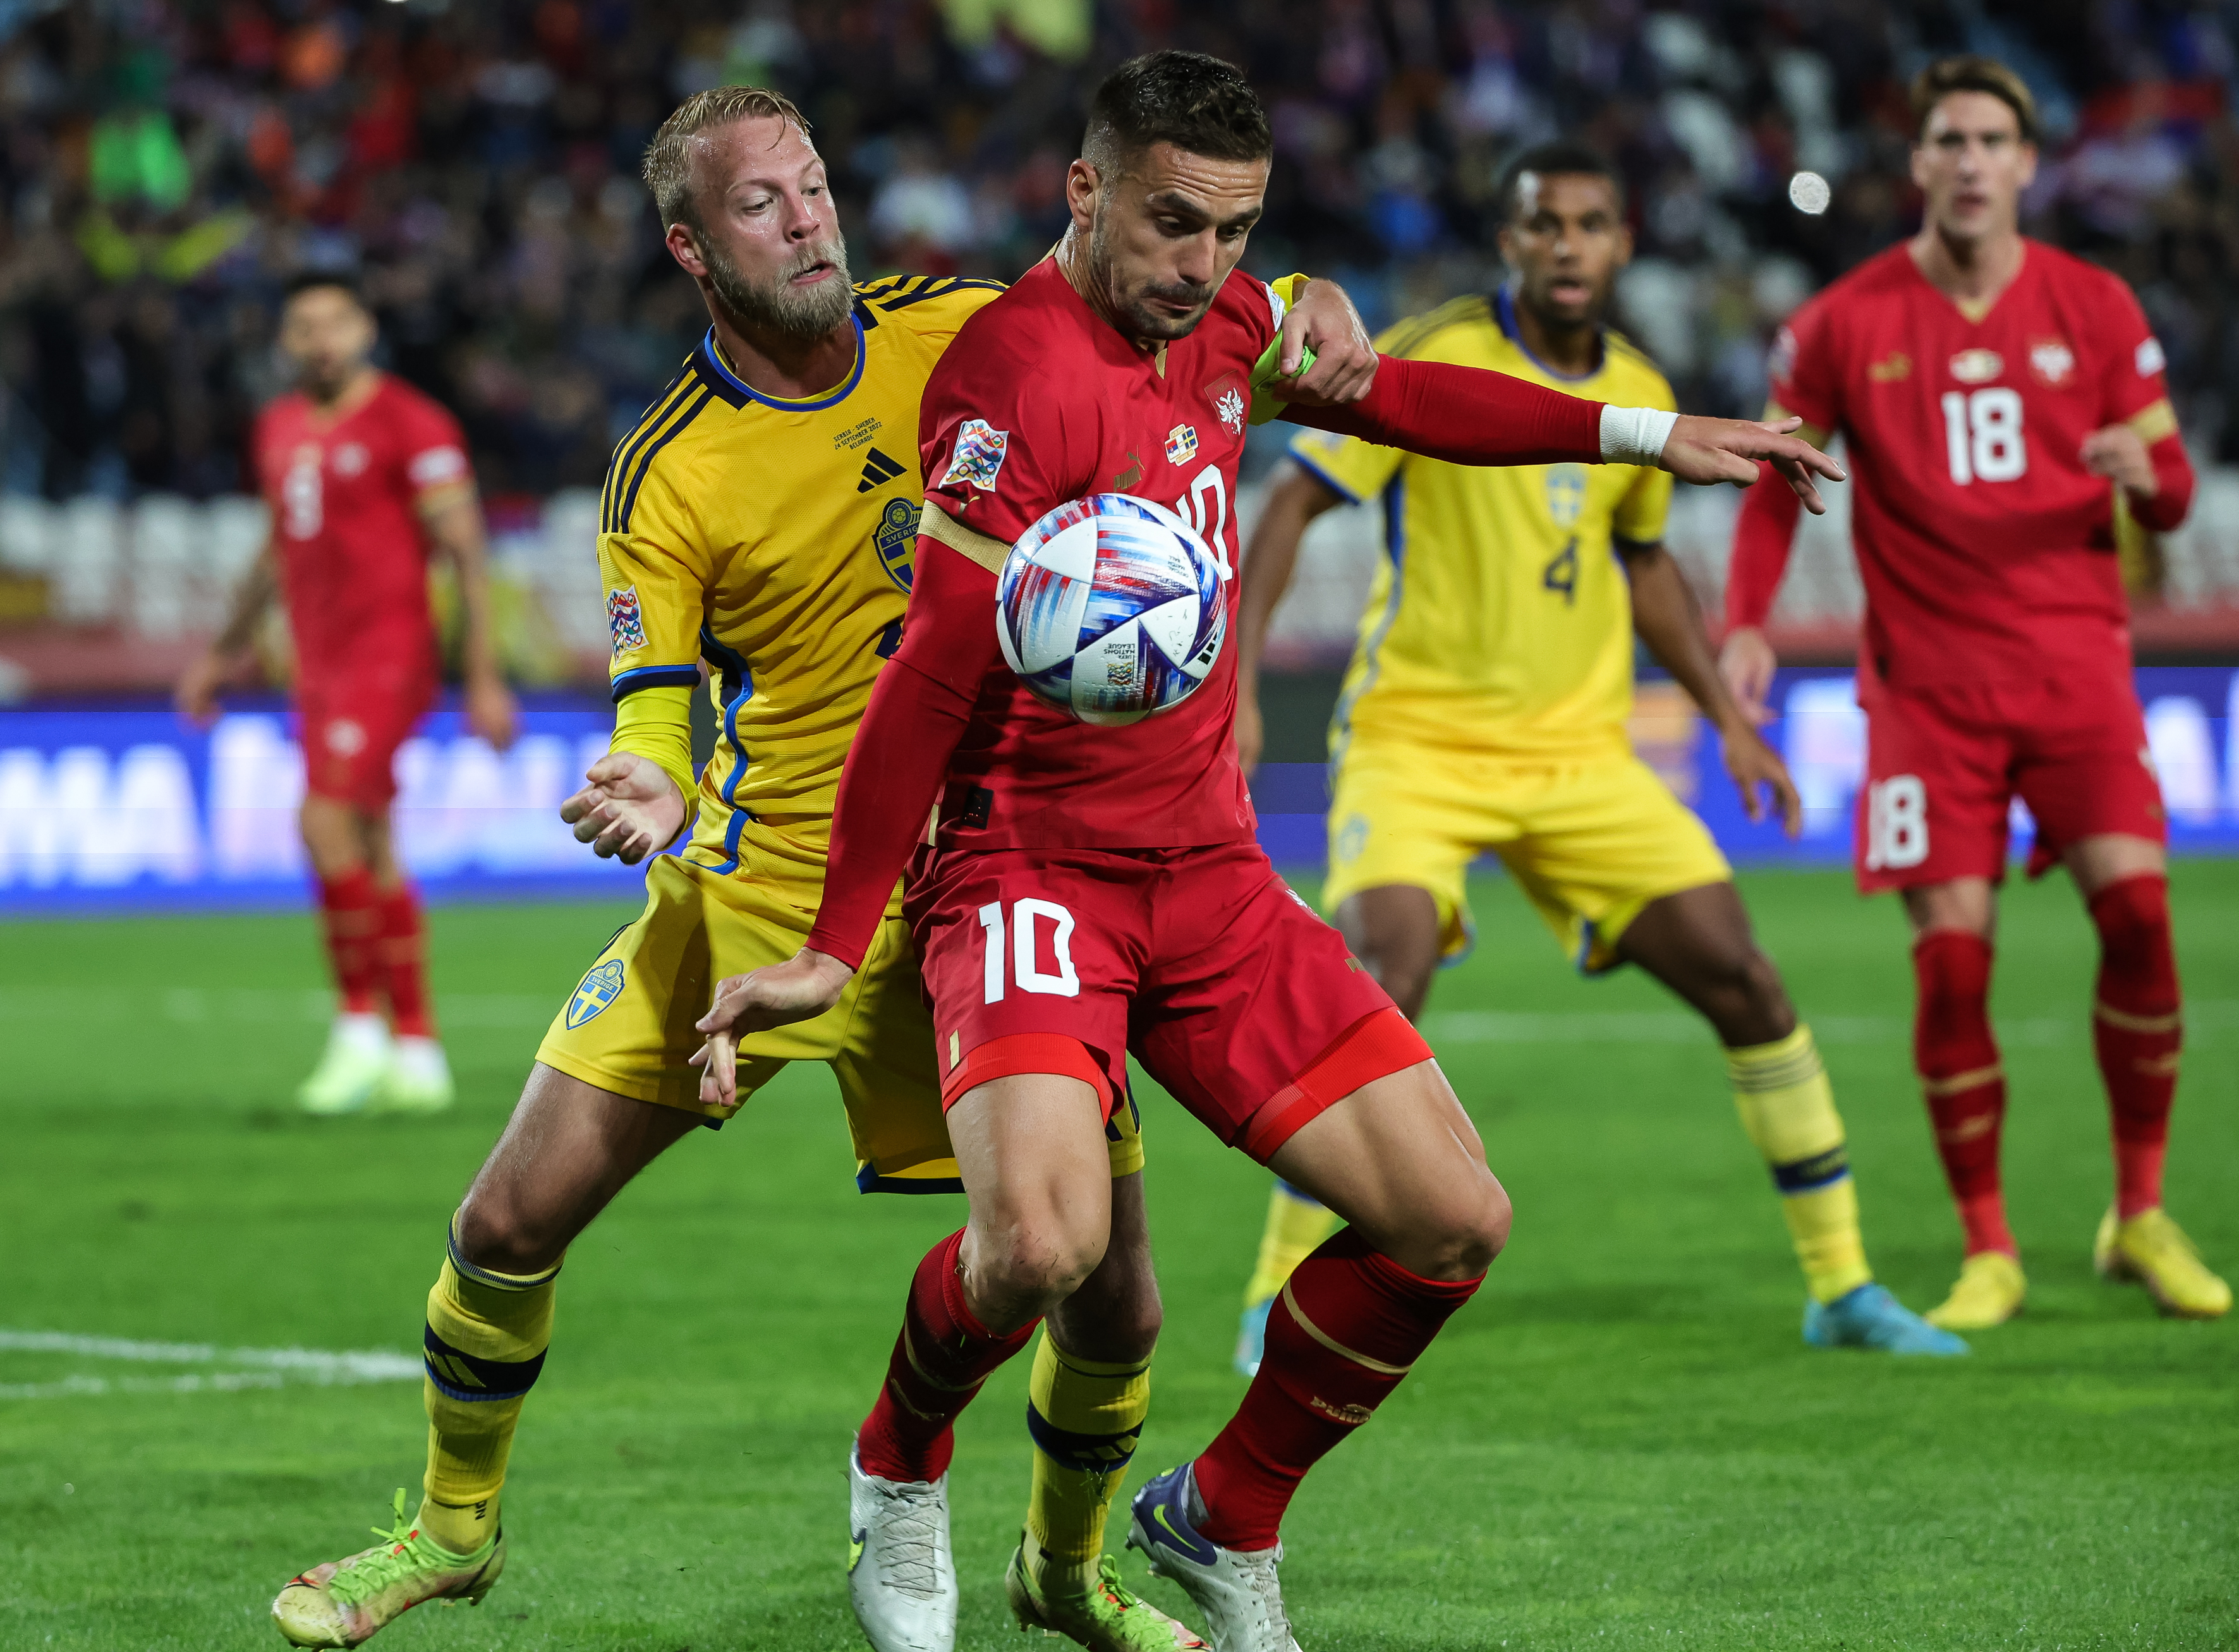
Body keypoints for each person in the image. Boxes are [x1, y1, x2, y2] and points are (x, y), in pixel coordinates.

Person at [698, 52, 1843, 1649]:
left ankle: (1222, 1512)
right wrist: (835, 935)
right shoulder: (1010, 377)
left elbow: (1407, 403)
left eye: (1238, 233)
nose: (1205, 270)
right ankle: (898, 1468)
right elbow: (928, 677)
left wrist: (1648, 437)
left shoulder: (1231, 320)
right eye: (1175, 226)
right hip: (1031, 870)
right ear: (1084, 189)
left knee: (1454, 1219)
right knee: (1038, 1242)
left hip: (1211, 876)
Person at [268, 85, 1378, 1652]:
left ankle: (1060, 1570)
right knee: (507, 1215)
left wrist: (1309, 301)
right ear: (688, 245)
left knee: (1111, 1297)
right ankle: (448, 1532)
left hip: (999, 875)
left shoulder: (969, 328)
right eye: (759, 205)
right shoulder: (667, 467)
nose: (807, 222)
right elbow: (654, 689)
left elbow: (1190, 326)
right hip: (766, 877)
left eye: (812, 189)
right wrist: (649, 772)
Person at [1224, 140, 1965, 1375]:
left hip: (1579, 754)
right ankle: (1267, 1294)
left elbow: (1641, 565)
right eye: (1541, 224)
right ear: (1508, 240)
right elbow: (1293, 502)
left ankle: (1840, 1282)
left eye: (1587, 222)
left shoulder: (1638, 378)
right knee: (1376, 976)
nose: (1565, 244)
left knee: (1742, 976)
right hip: (1418, 739)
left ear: (1622, 243)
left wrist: (1728, 721)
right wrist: (1238, 685)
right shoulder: (1432, 349)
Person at [1720, 56, 2229, 1328]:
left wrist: (2141, 473)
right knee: (1950, 966)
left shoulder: (2095, 305)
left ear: (2022, 161)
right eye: (1945, 137)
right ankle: (1988, 1245)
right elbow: (1780, 478)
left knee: (2142, 925)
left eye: (1989, 138)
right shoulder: (1841, 322)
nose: (1965, 159)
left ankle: (2138, 1212)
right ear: (1918, 163)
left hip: (2076, 676)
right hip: (1925, 695)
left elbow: (2170, 488)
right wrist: (1744, 628)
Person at [178, 271, 518, 1117]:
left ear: (365, 328)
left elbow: (469, 556)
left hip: (390, 654)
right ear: (285, 341)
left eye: (335, 321)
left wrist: (481, 672)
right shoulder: (280, 425)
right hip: (318, 664)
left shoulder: (412, 421)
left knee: (321, 818)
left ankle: (358, 1027)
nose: (320, 339)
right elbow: (275, 549)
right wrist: (223, 652)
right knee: (369, 840)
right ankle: (418, 1046)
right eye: (303, 326)